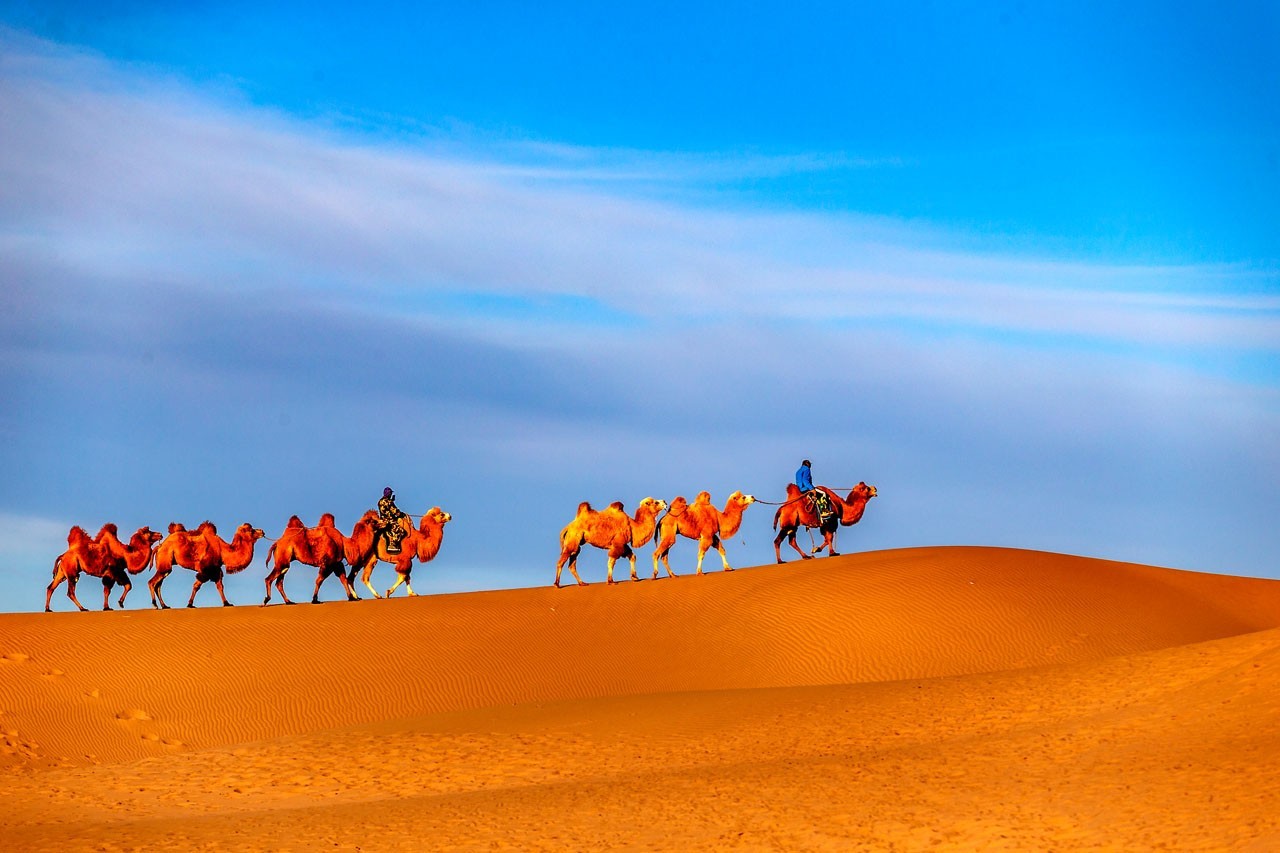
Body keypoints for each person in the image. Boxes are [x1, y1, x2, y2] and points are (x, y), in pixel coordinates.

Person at [376, 486, 409, 554]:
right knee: (401, 531)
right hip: (389, 521)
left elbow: (387, 508)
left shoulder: (380, 501)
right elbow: (395, 511)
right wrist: (402, 514)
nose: (391, 494)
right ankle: (392, 544)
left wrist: (391, 501)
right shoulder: (388, 502)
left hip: (382, 519)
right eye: (390, 493)